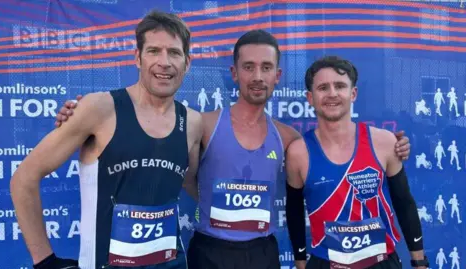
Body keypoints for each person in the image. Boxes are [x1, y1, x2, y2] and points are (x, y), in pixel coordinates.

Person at [54, 31, 411, 269]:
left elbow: (332, 150)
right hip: (210, 251)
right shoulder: (201, 123)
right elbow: (151, 128)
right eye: (249, 67)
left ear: (277, 76)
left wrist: (395, 147)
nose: (258, 75)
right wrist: (81, 115)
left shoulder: (288, 137)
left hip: (264, 251)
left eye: (266, 68)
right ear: (234, 73)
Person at [10, 10, 202, 269]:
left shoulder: (192, 122)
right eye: (154, 51)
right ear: (137, 57)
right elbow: (23, 179)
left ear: (187, 62)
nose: (164, 62)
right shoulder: (99, 109)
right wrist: (44, 261)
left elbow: (193, 182)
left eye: (174, 53)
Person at [285, 56, 428, 269]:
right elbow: (294, 210)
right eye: (323, 87)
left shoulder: (385, 142)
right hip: (326, 263)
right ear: (310, 98)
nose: (332, 93)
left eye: (340, 86)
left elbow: (403, 202)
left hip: (381, 263)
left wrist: (419, 261)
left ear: (353, 94)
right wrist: (300, 262)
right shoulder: (298, 152)